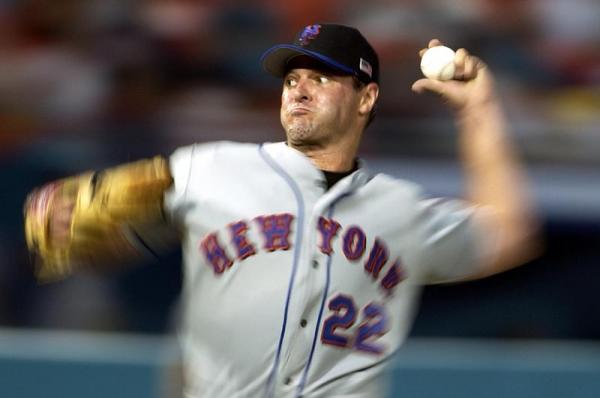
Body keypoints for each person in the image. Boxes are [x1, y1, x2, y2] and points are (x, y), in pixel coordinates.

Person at [24, 23, 539, 397]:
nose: (299, 87)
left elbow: (508, 233)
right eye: (293, 78)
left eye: (322, 77)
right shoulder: (210, 167)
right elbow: (87, 224)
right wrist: (69, 220)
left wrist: (478, 111)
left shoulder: (400, 209)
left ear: (366, 98)